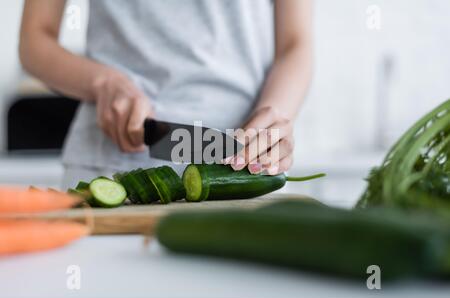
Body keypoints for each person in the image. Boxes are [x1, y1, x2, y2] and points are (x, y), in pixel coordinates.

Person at [19, 0, 313, 189]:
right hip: (109, 168)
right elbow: (34, 40)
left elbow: (295, 44)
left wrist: (273, 120)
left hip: (244, 171)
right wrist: (104, 82)